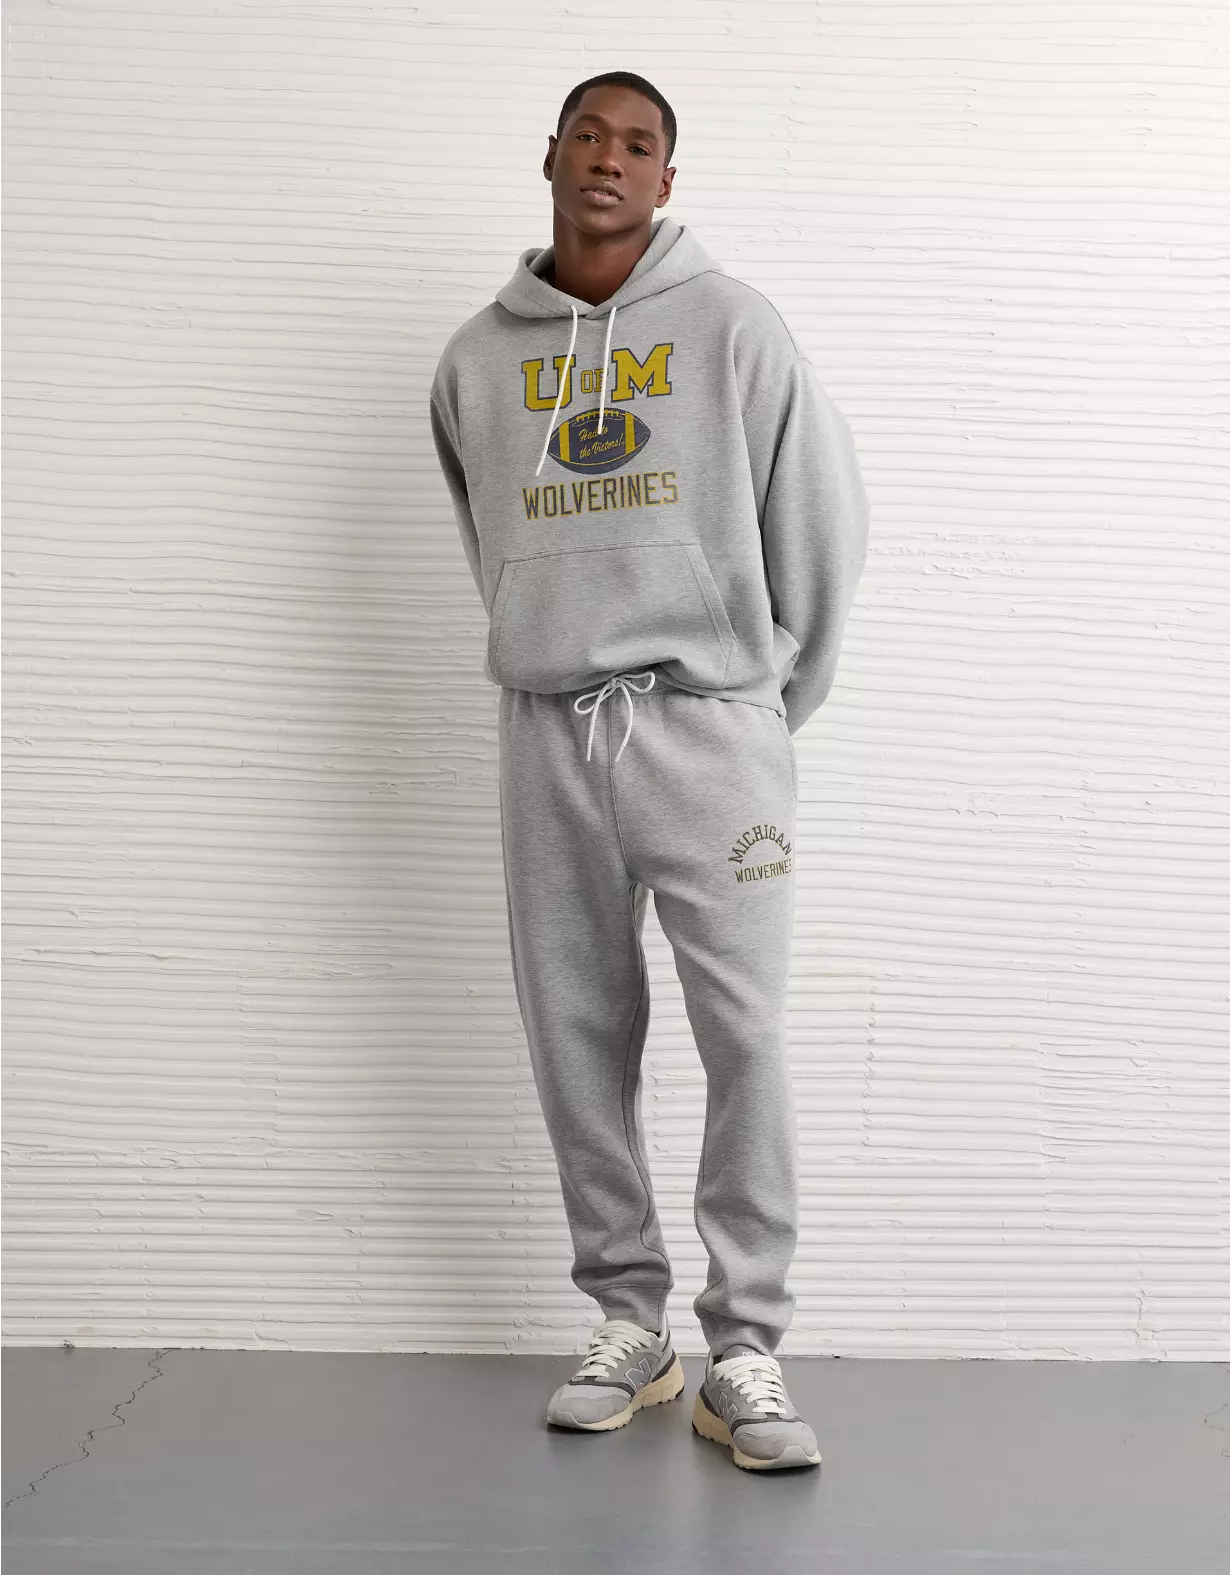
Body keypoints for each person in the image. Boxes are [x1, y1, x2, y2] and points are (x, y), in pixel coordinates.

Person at [429, 70, 869, 1472]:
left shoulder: (735, 328)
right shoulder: (476, 361)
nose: (609, 160)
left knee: (745, 1034)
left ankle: (745, 1345)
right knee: (574, 1029)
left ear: (667, 179)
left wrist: (755, 704)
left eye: (639, 144)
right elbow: (494, 544)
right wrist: (548, 650)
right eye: (588, 136)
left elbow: (822, 529)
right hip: (550, 733)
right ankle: (630, 1319)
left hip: (710, 728)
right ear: (549, 156)